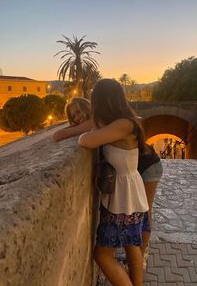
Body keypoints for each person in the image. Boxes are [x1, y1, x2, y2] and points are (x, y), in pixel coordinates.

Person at [53, 96, 163, 270]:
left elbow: (59, 135)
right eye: (73, 116)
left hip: (148, 167)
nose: (77, 117)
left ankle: (142, 255)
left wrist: (75, 128)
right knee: (137, 221)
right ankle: (137, 260)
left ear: (90, 107)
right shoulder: (108, 122)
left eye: (79, 111)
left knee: (145, 215)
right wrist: (75, 127)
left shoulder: (100, 122)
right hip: (134, 172)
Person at [79, 78, 149, 286]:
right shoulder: (125, 121)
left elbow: (85, 141)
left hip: (122, 197)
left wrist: (92, 128)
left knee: (102, 256)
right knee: (130, 244)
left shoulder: (124, 124)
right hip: (130, 193)